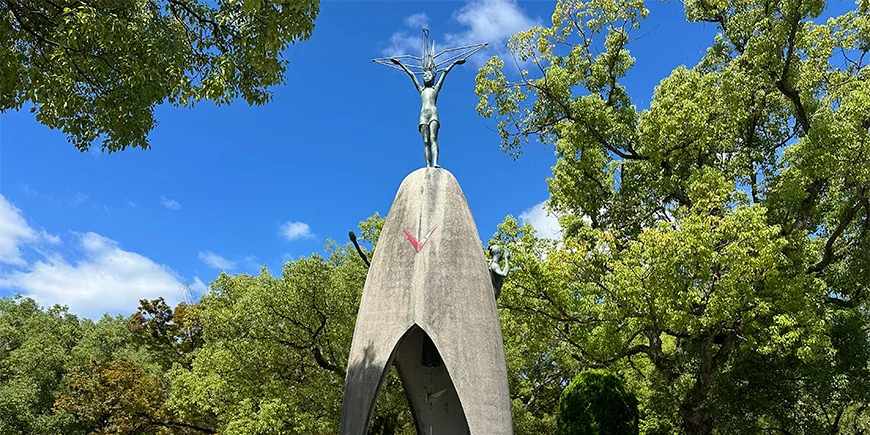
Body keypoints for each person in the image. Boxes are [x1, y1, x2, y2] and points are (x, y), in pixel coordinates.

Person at [390, 57, 466, 168]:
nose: (426, 77)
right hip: (423, 116)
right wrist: (401, 64)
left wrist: (454, 63)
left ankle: (435, 162)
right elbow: (411, 75)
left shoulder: (435, 89)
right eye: (424, 76)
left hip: (433, 114)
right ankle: (427, 165)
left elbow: (445, 73)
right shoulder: (422, 90)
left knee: (433, 138)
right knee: (426, 142)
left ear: (433, 78)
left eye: (429, 75)